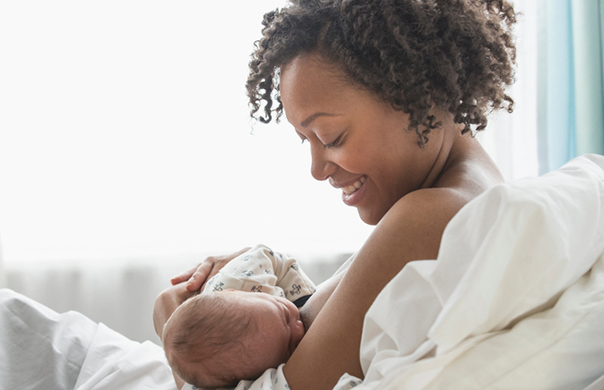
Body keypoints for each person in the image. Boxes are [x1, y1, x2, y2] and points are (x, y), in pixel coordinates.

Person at [154, 0, 517, 389]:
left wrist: (176, 342)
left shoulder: (432, 216)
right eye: (304, 140)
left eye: (331, 137)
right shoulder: (451, 200)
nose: (317, 170)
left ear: (417, 94)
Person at [160, 245, 317, 389]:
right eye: (289, 347)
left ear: (234, 291)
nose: (298, 328)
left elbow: (268, 255)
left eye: (285, 313)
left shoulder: (243, 279)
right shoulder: (241, 368)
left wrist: (304, 299)